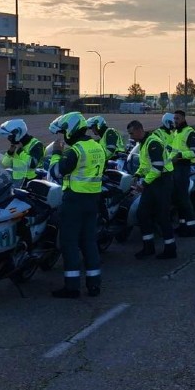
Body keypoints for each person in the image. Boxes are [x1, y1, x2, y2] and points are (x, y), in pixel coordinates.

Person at [47, 112, 107, 298]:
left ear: (72, 129)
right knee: (89, 242)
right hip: (93, 200)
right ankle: (94, 285)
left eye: (65, 131)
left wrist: (56, 154)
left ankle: (72, 287)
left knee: (69, 243)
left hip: (74, 200)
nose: (64, 136)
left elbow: (56, 173)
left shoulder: (76, 150)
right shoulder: (97, 147)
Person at [128, 117, 177, 260]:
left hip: (162, 181)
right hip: (153, 182)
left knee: (162, 216)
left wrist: (144, 183)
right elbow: (145, 165)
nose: (131, 137)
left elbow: (157, 168)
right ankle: (148, 247)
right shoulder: (143, 143)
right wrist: (137, 175)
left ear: (139, 130)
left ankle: (170, 249)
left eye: (131, 134)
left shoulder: (153, 142)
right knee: (142, 213)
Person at [170, 109, 195, 237]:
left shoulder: (189, 133)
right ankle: (182, 225)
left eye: (177, 118)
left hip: (183, 168)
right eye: (174, 118)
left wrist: (180, 155)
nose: (175, 121)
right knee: (178, 199)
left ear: (183, 118)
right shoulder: (177, 132)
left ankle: (192, 228)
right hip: (174, 168)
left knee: (184, 199)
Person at [0, 119, 43, 186]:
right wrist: (10, 153)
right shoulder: (16, 144)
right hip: (17, 181)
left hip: (31, 182)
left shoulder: (36, 145)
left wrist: (19, 151)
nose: (9, 138)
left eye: (10, 136)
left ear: (18, 133)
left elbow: (33, 164)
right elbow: (5, 163)